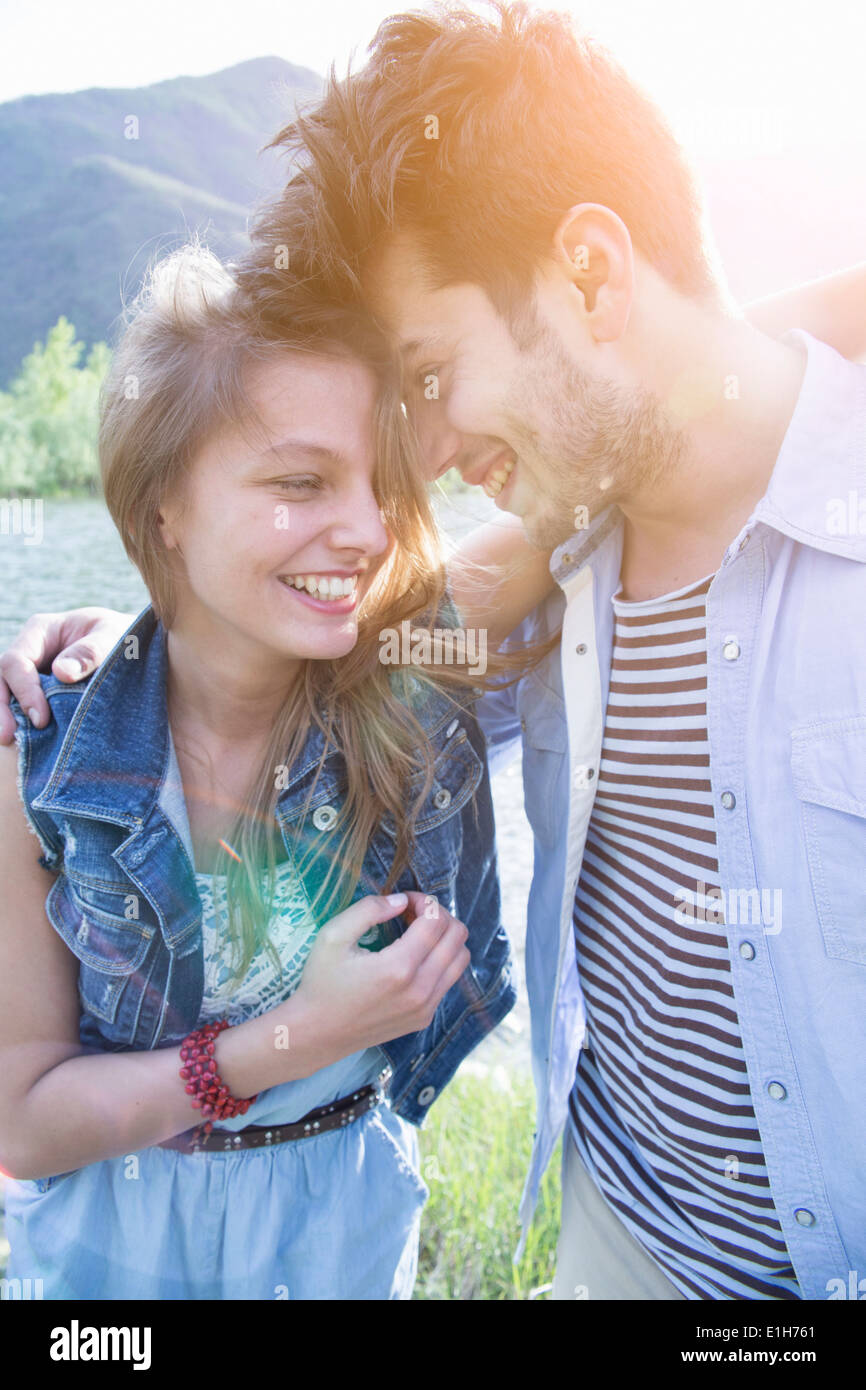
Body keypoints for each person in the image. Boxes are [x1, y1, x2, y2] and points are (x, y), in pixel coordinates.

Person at [5, 3, 866, 1302]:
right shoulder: (533, 583)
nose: (426, 459)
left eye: (428, 372)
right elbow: (286, 653)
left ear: (586, 273)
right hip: (612, 1256)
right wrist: (106, 657)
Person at [0, 242, 555, 1300]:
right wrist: (293, 1038)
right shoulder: (43, 751)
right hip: (111, 1259)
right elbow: (25, 1119)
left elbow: (643, 413)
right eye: (301, 481)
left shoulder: (409, 671)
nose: (363, 530)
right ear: (164, 505)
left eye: (380, 482)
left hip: (333, 1237)